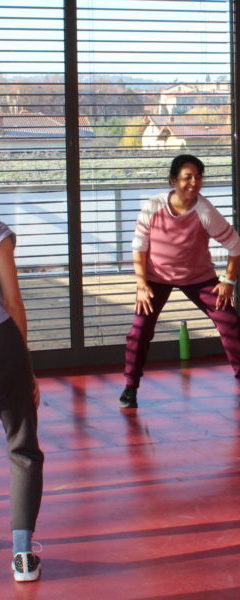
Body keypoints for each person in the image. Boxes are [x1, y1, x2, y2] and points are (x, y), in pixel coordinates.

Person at [119, 154, 240, 409]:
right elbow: (139, 246)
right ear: (173, 180)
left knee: (230, 322)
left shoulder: (204, 210)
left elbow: (235, 245)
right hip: (157, 277)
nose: (193, 183)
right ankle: (129, 388)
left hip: (198, 277)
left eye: (198, 177)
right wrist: (142, 285)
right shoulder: (153, 206)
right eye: (187, 177)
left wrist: (228, 281)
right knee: (139, 330)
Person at [0, 221, 44, 582]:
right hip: (3, 349)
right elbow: (12, 300)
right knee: (23, 449)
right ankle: (23, 557)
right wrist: (26, 368)